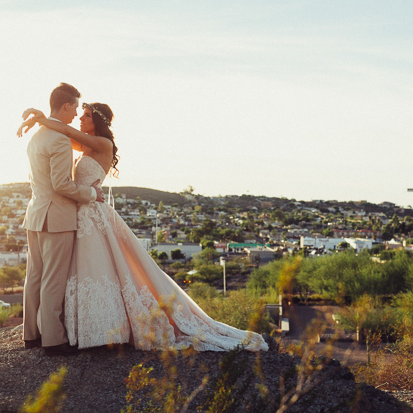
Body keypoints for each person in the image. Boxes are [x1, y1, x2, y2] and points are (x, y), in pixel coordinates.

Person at [18, 103, 268, 352]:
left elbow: (66, 132)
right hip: (78, 213)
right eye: (80, 114)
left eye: (86, 116)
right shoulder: (85, 144)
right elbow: (63, 134)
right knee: (76, 271)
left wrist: (41, 118)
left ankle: (100, 329)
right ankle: (77, 329)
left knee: (97, 267)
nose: (80, 119)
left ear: (99, 121)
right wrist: (42, 122)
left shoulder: (102, 144)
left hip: (92, 212)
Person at [21, 83, 105, 357]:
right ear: (67, 106)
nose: (75, 117)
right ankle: (53, 340)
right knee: (53, 279)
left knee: (34, 275)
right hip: (56, 217)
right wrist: (92, 193)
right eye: (74, 110)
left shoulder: (38, 136)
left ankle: (30, 335)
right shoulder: (58, 139)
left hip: (35, 215)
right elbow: (62, 185)